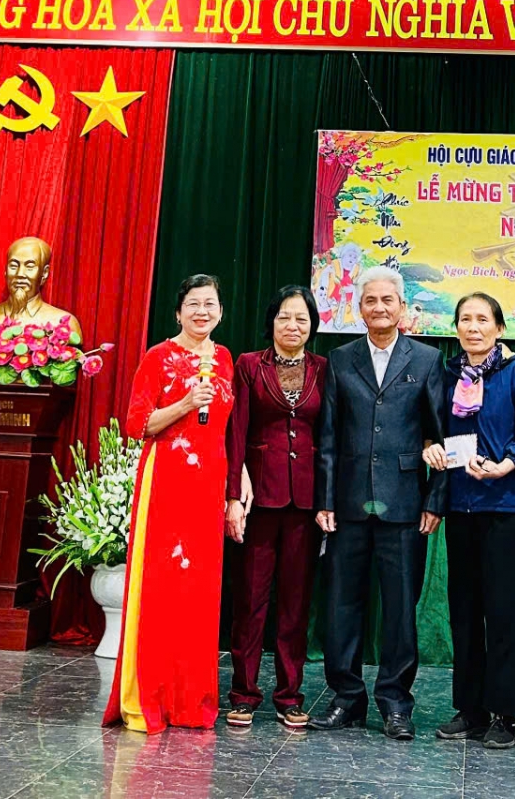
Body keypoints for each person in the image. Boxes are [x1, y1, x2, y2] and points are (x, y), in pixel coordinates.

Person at [311, 265, 447, 741]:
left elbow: (440, 435)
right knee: (341, 605)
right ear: (359, 308)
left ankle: (395, 703)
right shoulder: (339, 359)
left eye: (388, 299)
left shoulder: (428, 360)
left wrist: (435, 498)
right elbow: (328, 437)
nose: (380, 307)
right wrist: (325, 499)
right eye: (371, 300)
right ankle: (346, 698)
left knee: (400, 609)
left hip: (405, 504)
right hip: (348, 504)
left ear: (402, 307)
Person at [103, 274, 235, 734]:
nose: (202, 312)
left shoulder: (224, 358)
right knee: (162, 588)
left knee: (198, 594)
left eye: (210, 304)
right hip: (167, 482)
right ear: (178, 312)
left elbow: (224, 428)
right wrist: (185, 402)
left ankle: (189, 700)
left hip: (208, 486)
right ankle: (150, 697)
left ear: (221, 312)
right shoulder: (158, 357)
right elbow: (137, 425)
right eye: (193, 304)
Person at [422, 292, 515, 750]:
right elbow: (433, 429)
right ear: (455, 327)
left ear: (499, 328)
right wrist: (431, 447)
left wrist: (506, 465)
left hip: (504, 507)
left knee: (505, 614)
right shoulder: (448, 373)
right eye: (465, 320)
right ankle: (470, 709)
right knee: (465, 612)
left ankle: (505, 715)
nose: (473, 328)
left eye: (482, 320)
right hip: (461, 506)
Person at [223, 286, 328, 729]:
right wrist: (232, 494)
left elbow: (331, 437)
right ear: (271, 322)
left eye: (302, 318)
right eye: (285, 317)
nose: (293, 325)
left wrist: (327, 500)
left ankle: (289, 695)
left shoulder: (324, 368)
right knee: (250, 600)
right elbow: (236, 430)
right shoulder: (249, 365)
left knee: (295, 604)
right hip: (258, 500)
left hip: (305, 502)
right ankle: (244, 693)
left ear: (312, 325)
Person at [0, 236, 82, 337]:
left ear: (44, 273)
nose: (20, 274)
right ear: (5, 271)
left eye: (29, 267)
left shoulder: (63, 324)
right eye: (13, 266)